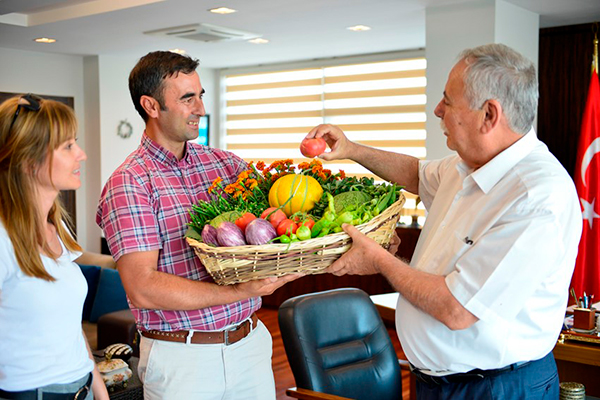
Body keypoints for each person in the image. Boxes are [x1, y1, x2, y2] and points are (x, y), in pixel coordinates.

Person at [307, 43, 582, 399]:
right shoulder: (467, 164)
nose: (437, 110)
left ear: (489, 115)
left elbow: (457, 309)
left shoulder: (536, 197)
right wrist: (352, 150)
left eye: (448, 101)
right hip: (436, 384)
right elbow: (416, 174)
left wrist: (377, 259)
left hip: (497, 388)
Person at [96, 51, 298, 400]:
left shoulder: (227, 165)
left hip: (249, 344)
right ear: (151, 105)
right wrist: (238, 292)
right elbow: (142, 287)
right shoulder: (130, 183)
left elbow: (279, 224)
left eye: (200, 95)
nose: (201, 109)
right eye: (187, 98)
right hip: (183, 361)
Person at [0, 94, 109, 400]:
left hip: (81, 387)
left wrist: (98, 390)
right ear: (28, 160)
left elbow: (70, 327)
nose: (82, 155)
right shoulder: (3, 238)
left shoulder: (55, 228)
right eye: (68, 146)